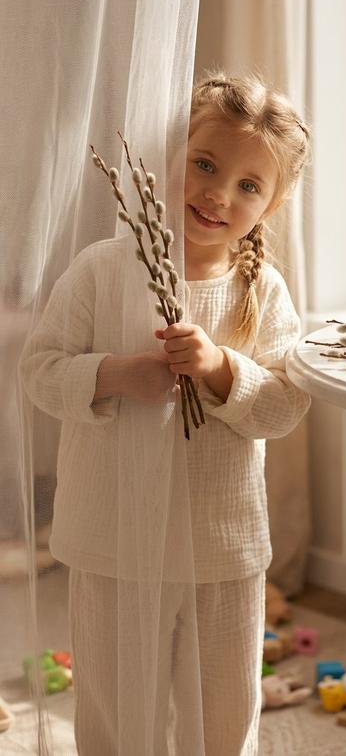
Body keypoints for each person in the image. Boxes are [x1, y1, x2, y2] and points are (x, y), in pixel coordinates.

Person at [20, 72, 312, 756]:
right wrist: (114, 374)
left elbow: (284, 405)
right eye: (206, 165)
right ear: (168, 158)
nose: (218, 193)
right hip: (113, 534)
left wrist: (219, 370)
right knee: (117, 708)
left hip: (223, 542)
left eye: (248, 185)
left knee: (222, 707)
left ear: (271, 204)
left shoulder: (260, 290)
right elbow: (38, 370)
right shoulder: (102, 269)